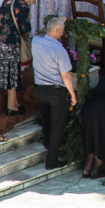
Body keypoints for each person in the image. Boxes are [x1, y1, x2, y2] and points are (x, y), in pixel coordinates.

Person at [30, 14, 75, 169]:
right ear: (57, 31)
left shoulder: (36, 41)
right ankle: (52, 161)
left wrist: (56, 23)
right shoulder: (59, 50)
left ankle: (47, 142)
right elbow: (66, 76)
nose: (63, 33)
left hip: (40, 89)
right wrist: (73, 95)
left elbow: (44, 31)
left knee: (46, 115)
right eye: (61, 30)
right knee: (58, 125)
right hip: (56, 92)